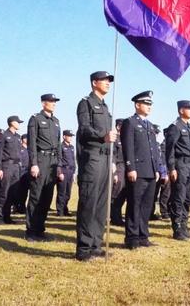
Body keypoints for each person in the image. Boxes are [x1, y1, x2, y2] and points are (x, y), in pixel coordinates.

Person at [75, 71, 117, 261]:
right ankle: (83, 248)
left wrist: (114, 161)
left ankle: (95, 244)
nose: (108, 83)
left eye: (109, 81)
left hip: (106, 158)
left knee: (101, 203)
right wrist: (102, 137)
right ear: (94, 83)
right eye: (105, 80)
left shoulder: (105, 106)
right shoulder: (86, 103)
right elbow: (83, 130)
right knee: (89, 202)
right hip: (92, 158)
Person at [121, 91, 160, 249]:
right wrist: (130, 167)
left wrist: (156, 168)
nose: (149, 107)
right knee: (134, 204)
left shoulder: (149, 125)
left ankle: (143, 235)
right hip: (137, 170)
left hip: (150, 171)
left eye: (150, 104)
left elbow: (153, 149)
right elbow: (128, 146)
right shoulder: (130, 123)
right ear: (137, 105)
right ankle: (132, 238)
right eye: (146, 104)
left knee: (146, 206)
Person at [26, 94, 63, 242]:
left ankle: (40, 229)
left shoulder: (56, 121)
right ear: (43, 103)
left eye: (55, 102)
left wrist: (59, 165)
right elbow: (32, 143)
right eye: (51, 102)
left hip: (52, 161)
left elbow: (59, 144)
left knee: (47, 197)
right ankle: (31, 231)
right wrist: (34, 163)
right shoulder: (35, 119)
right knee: (36, 196)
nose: (53, 104)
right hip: (40, 160)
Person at [165, 100, 190, 241]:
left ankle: (184, 226)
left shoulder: (189, 127)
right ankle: (177, 228)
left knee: (188, 198)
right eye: (188, 108)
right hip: (180, 164)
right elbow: (170, 149)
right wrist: (172, 168)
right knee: (179, 197)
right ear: (181, 110)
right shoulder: (175, 127)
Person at [0, 116, 23, 224]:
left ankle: (7, 217)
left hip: (16, 167)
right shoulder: (3, 136)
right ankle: (0, 217)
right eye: (18, 122)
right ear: (12, 123)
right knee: (4, 192)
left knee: (12, 192)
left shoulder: (17, 137)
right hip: (6, 165)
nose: (19, 124)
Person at [56, 130, 76, 216]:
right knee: (61, 192)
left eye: (71, 136)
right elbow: (58, 159)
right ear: (64, 136)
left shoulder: (72, 147)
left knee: (68, 193)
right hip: (63, 171)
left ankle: (65, 209)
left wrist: (74, 172)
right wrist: (59, 172)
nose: (70, 138)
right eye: (69, 136)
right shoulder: (60, 146)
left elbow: (73, 160)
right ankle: (60, 211)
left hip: (71, 171)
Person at [110, 119, 126, 226]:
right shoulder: (115, 139)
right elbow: (113, 156)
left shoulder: (125, 139)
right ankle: (114, 218)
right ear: (118, 127)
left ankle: (118, 217)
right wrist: (114, 172)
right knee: (116, 193)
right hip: (118, 167)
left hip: (125, 167)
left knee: (123, 194)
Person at [15, 134, 29, 214]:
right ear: (23, 139)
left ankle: (22, 206)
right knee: (18, 190)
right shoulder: (20, 148)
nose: (27, 140)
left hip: (27, 172)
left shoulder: (29, 149)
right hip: (20, 171)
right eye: (26, 138)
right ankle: (17, 207)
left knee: (25, 191)